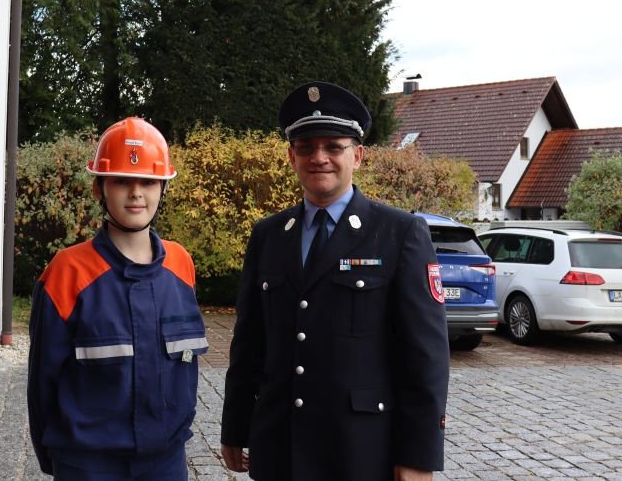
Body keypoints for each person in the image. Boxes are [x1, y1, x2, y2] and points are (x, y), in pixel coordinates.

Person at [220, 81, 450, 481]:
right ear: (292, 156)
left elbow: (425, 357)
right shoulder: (269, 235)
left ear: (357, 155)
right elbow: (250, 343)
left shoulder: (399, 233)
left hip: (360, 450)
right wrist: (235, 426)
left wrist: (418, 455)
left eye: (333, 147)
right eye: (307, 148)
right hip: (281, 448)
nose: (319, 158)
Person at [27, 117, 207, 481]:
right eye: (122, 180)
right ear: (99, 189)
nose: (136, 192)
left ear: (163, 188)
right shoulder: (68, 272)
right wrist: (56, 460)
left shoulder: (181, 264)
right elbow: (42, 383)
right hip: (88, 465)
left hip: (166, 463)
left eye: (148, 181)